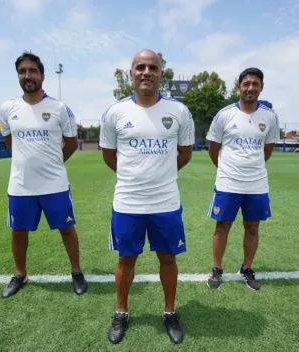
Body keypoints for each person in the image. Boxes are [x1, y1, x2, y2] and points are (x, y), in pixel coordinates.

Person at [99, 49, 195, 345]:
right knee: (126, 258)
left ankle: (169, 312)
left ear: (160, 74)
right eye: (140, 67)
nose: (146, 72)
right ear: (131, 73)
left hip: (165, 202)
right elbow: (109, 156)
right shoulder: (115, 112)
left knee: (167, 258)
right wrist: (134, 177)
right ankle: (121, 312)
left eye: (152, 67)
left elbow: (185, 154)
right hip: (127, 202)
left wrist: (160, 175)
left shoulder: (179, 111)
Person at [0, 51, 88, 298]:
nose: (28, 75)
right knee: (18, 231)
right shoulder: (7, 109)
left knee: (67, 229)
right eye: (22, 71)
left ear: (42, 76)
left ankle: (77, 272)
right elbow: (9, 142)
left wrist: (51, 164)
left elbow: (70, 144)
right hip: (20, 185)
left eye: (32, 71)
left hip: (54, 184)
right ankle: (20, 274)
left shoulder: (59, 109)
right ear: (18, 76)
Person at [205, 67, 280, 291]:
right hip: (228, 183)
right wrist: (228, 170)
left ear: (261, 88)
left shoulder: (269, 116)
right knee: (223, 226)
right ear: (239, 87)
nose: (250, 88)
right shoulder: (225, 115)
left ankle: (246, 268)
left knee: (253, 227)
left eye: (255, 84)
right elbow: (213, 150)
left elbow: (267, 150)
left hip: (256, 184)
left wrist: (251, 168)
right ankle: (217, 269)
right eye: (246, 84)